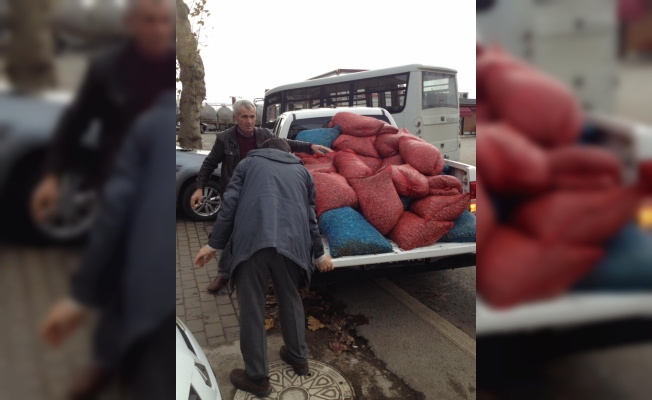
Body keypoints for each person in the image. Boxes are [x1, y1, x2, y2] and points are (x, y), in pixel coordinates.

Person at [40, 90, 176, 400]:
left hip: (148, 288)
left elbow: (114, 215)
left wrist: (80, 297)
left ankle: (103, 365)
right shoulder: (147, 119)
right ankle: (103, 364)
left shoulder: (151, 122)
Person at [194, 138, 334, 397]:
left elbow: (229, 207)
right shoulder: (302, 171)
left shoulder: (247, 165)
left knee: (252, 309)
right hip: (292, 246)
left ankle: (257, 377)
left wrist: (213, 245)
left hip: (252, 245)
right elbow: (310, 217)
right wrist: (319, 254)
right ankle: (298, 358)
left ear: (264, 150)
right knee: (291, 299)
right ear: (287, 152)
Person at [30, 0, 175, 223]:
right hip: (119, 183)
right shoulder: (106, 69)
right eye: (149, 20)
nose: (159, 30)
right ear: (131, 23)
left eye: (165, 21)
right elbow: (73, 124)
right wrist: (52, 176)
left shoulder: (172, 68)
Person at [191, 99, 332, 293]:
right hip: (235, 191)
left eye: (252, 117)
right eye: (244, 117)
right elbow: (209, 163)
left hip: (256, 193)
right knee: (229, 231)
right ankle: (223, 273)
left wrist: (309, 147)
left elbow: (285, 143)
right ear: (235, 118)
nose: (249, 121)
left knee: (258, 228)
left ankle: (258, 267)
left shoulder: (264, 134)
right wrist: (200, 187)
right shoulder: (225, 138)